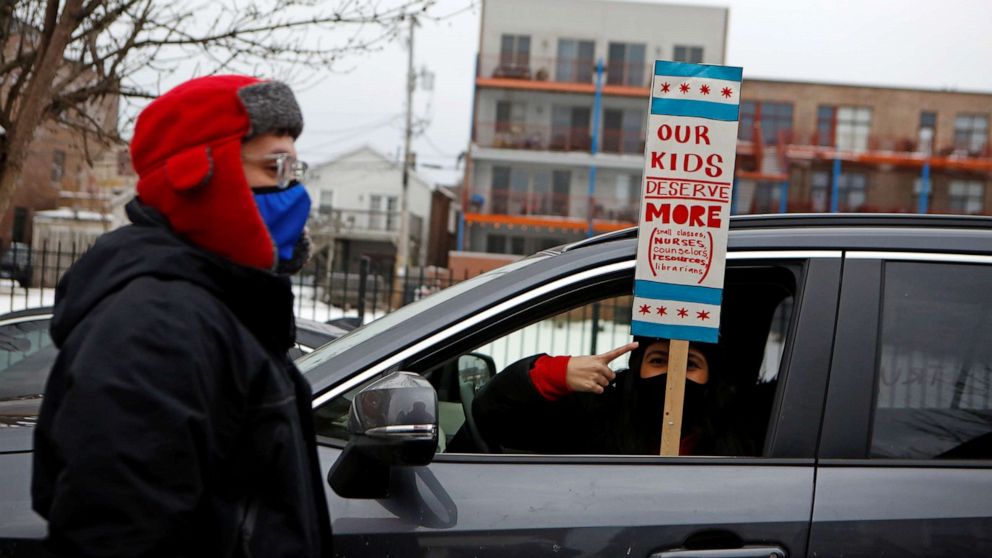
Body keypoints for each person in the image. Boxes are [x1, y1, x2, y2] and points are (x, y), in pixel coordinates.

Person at [32, 75, 332, 557]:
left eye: (295, 167)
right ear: (199, 176)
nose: (291, 188)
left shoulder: (220, 306)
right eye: (275, 165)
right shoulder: (156, 326)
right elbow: (117, 535)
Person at [473, 336, 750, 456]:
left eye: (690, 364)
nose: (672, 376)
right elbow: (493, 415)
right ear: (636, 371)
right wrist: (556, 373)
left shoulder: (743, 436)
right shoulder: (596, 419)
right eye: (657, 360)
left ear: (711, 380)